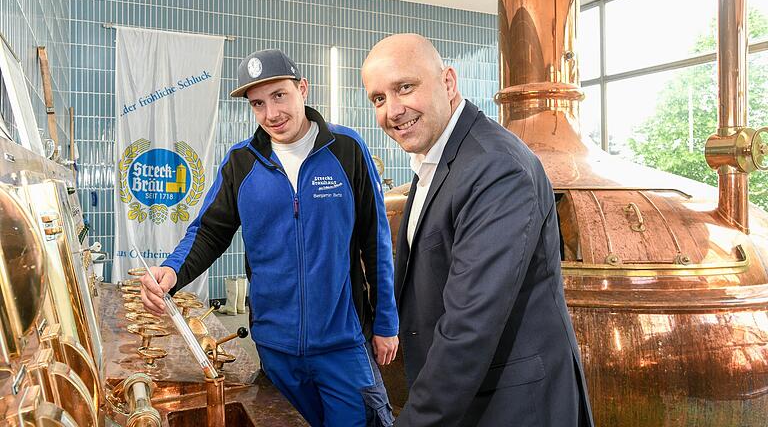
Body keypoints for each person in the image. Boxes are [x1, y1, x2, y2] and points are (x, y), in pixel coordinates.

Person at [139, 48, 399, 427]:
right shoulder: (241, 162)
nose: (271, 114)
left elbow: (375, 241)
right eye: (258, 104)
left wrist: (386, 323)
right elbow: (210, 230)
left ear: (302, 89)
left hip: (342, 344)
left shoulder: (346, 150)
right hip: (276, 349)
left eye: (280, 96)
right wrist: (173, 270)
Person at [361, 34, 594, 427]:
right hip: (473, 399)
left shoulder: (494, 167)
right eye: (379, 99)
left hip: (515, 406)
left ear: (448, 82)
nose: (393, 110)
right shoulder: (437, 162)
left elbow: (470, 325)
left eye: (404, 87)